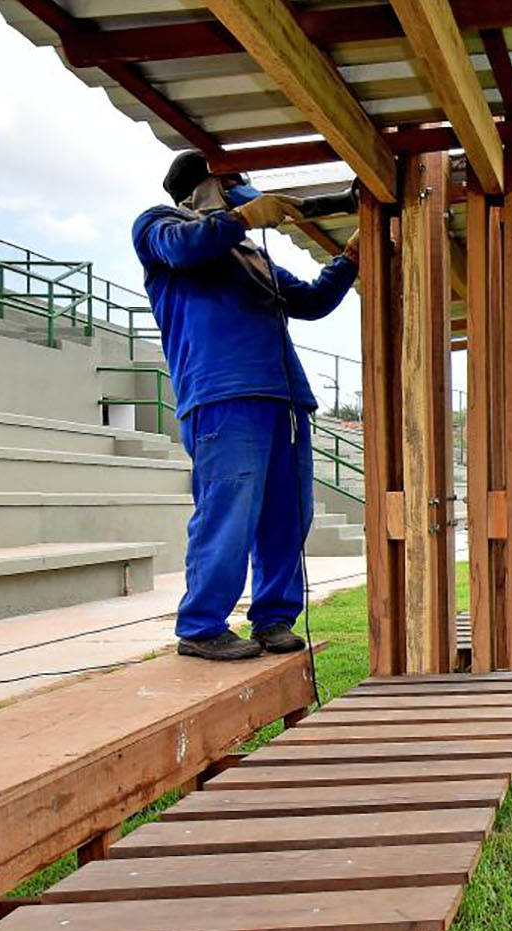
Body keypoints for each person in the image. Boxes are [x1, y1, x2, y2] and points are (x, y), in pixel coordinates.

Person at [133, 150, 359, 660]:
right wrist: (239, 218)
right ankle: (201, 626)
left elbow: (310, 302)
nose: (242, 187)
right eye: (231, 179)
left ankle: (274, 618)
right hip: (222, 394)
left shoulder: (251, 255)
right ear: (202, 186)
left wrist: (348, 259)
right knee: (228, 511)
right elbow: (184, 249)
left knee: (288, 515)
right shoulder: (159, 225)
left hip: (284, 398)